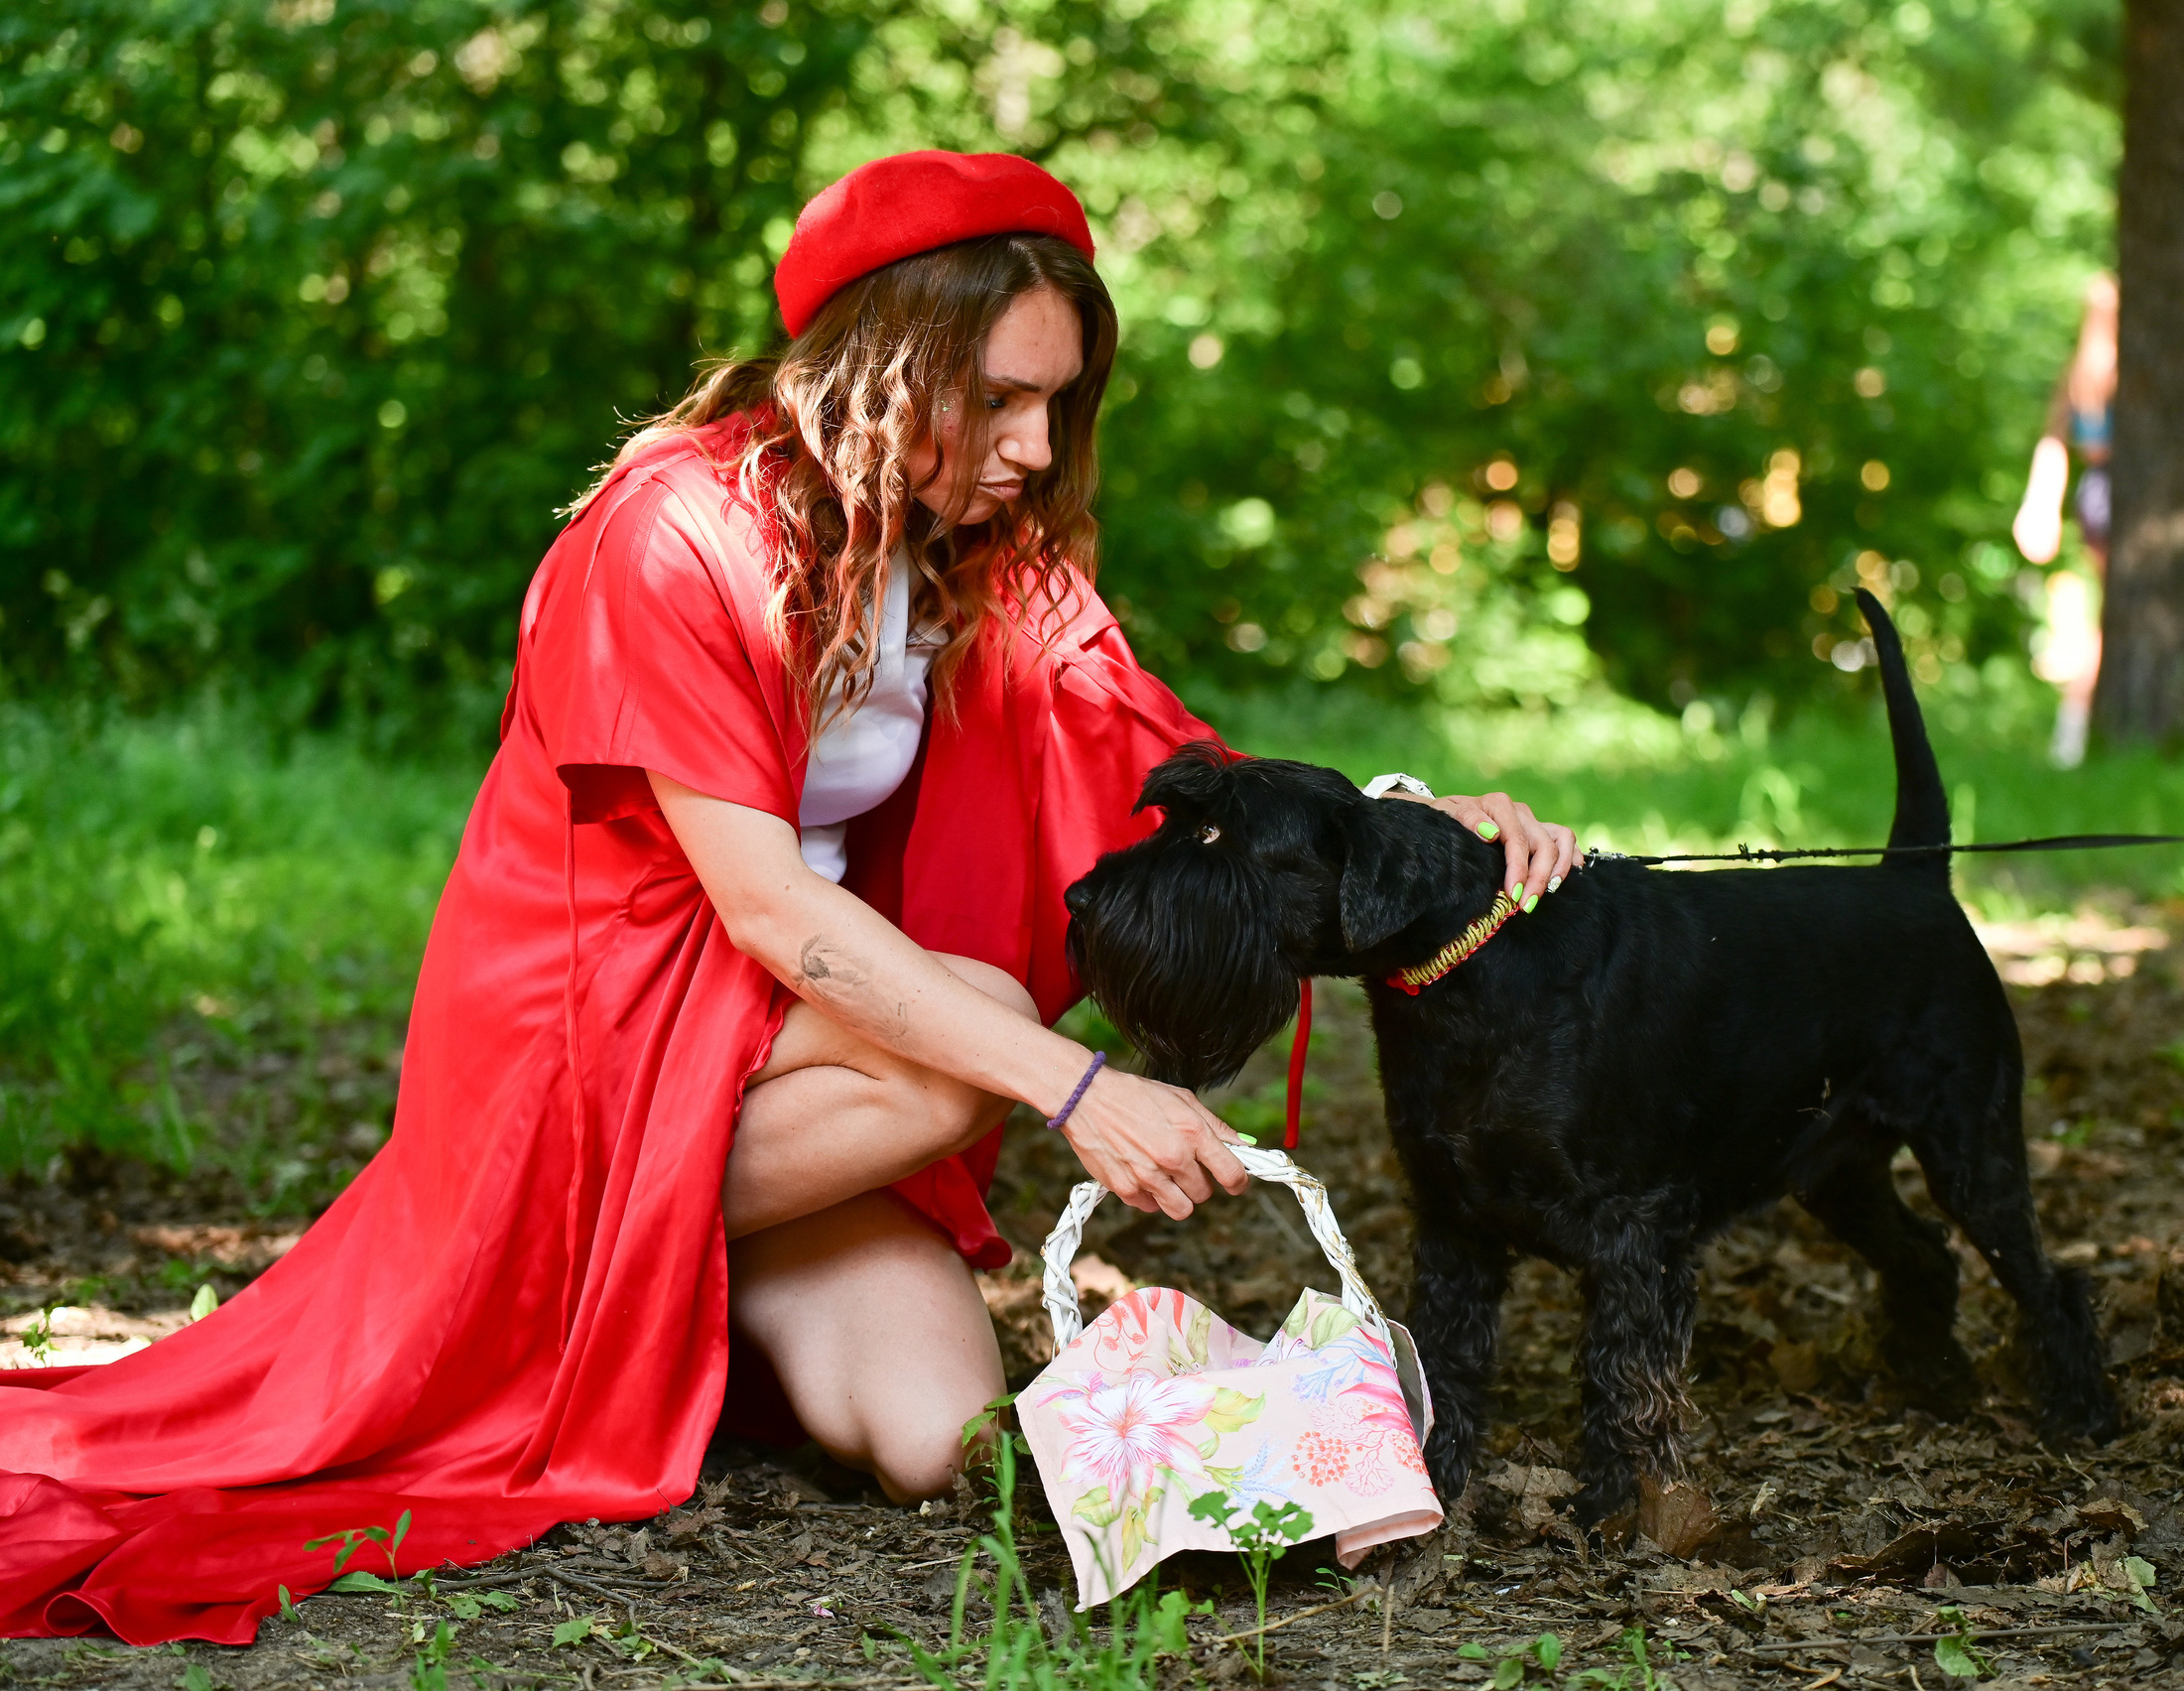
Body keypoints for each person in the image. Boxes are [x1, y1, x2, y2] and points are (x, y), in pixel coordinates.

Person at [0, 150, 1582, 1645]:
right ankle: (559, 1277)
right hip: (607, 1034)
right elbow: (767, 908)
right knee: (970, 1036)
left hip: (785, 1058)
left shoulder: (964, 550)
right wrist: (1073, 1086)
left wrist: (1416, 820)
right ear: (887, 363)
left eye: (1057, 401)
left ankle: (662, 1304)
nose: (1037, 446)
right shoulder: (674, 530)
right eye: (999, 396)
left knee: (941, 1435)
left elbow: (1154, 750)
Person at [2010, 273, 2119, 769]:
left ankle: (2074, 730)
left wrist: (2041, 503)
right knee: (2113, 620)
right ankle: (2073, 728)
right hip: (2114, 492)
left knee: (2110, 616)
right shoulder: (2113, 370)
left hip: (2095, 493)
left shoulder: (2081, 371)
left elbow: (2056, 437)